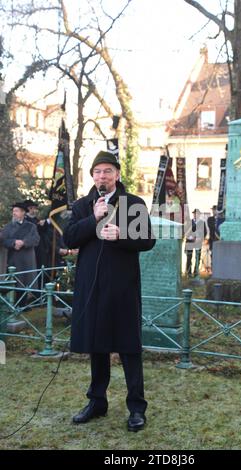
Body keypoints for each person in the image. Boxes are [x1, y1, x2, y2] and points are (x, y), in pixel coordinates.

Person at [63, 150, 155, 432]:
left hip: (123, 287)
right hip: (92, 287)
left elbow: (148, 240)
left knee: (128, 346)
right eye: (97, 172)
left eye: (107, 171)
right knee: (97, 345)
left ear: (117, 174)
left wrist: (122, 236)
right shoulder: (82, 205)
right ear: (93, 176)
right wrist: (93, 219)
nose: (102, 176)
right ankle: (97, 402)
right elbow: (69, 237)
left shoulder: (133, 203)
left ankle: (136, 408)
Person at [1, 202, 40, 305]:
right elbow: (4, 241)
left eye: (16, 211)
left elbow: (36, 240)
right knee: (14, 282)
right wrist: (14, 242)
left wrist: (23, 242)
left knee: (26, 282)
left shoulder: (31, 226)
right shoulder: (8, 227)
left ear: (23, 212)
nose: (14, 213)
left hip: (27, 258)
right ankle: (11, 306)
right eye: (13, 211)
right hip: (13, 258)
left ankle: (23, 305)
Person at [185, 208, 207, 277]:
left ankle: (196, 272)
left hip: (198, 242)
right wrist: (190, 237)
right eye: (194, 213)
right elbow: (186, 231)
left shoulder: (202, 222)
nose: (195, 215)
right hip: (190, 241)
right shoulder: (189, 222)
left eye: (197, 213)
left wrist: (200, 238)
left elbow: (204, 232)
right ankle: (188, 272)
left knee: (197, 257)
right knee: (189, 257)